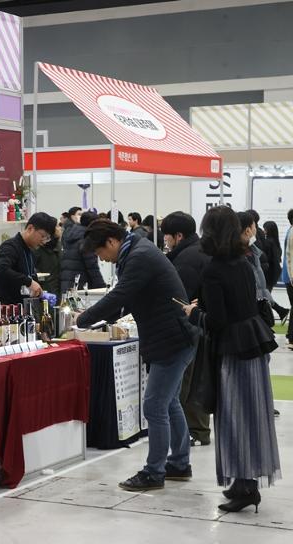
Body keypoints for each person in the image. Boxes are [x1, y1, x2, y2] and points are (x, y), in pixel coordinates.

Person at [76, 219, 198, 491]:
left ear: (111, 242)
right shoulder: (137, 251)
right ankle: (179, 463)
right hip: (174, 336)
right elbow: (127, 300)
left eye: (100, 253)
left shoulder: (139, 256)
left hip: (172, 339)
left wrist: (82, 319)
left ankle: (154, 472)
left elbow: (119, 296)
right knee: (169, 403)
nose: (102, 259)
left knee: (154, 406)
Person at [182, 206, 280, 513]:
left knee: (233, 420)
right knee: (251, 418)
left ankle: (245, 488)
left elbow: (219, 321)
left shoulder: (214, 268)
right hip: (253, 345)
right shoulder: (243, 260)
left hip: (233, 352)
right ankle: (244, 484)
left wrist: (194, 313)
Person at [161, 211, 212, 446]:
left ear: (178, 236)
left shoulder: (186, 259)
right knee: (198, 379)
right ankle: (198, 431)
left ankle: (192, 433)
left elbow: (180, 298)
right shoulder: (199, 251)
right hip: (204, 324)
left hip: (192, 327)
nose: (166, 242)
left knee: (188, 384)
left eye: (167, 237)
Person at [0, 212, 58, 304]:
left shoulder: (28, 250)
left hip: (23, 309)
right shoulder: (10, 247)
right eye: (43, 236)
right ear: (30, 228)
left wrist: (41, 294)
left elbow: (27, 278)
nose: (44, 241)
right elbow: (0, 270)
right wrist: (29, 282)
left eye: (47, 238)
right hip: (7, 310)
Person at [60, 211, 106, 293]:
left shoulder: (70, 235)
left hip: (67, 283)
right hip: (82, 286)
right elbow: (92, 267)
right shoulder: (86, 240)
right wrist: (102, 287)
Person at [262, 220, 288, 322]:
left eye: (265, 229)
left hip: (269, 274)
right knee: (265, 296)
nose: (263, 231)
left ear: (268, 230)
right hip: (275, 273)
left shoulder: (268, 242)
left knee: (264, 297)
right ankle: (280, 312)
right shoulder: (276, 243)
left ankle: (277, 314)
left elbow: (265, 259)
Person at [34, 223, 62, 295]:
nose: (60, 228)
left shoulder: (58, 245)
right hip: (43, 288)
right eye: (57, 226)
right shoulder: (38, 247)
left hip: (59, 288)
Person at [283, 209, 293, 347]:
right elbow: (290, 257)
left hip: (288, 276)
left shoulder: (289, 231)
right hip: (291, 276)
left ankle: (290, 336)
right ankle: (291, 337)